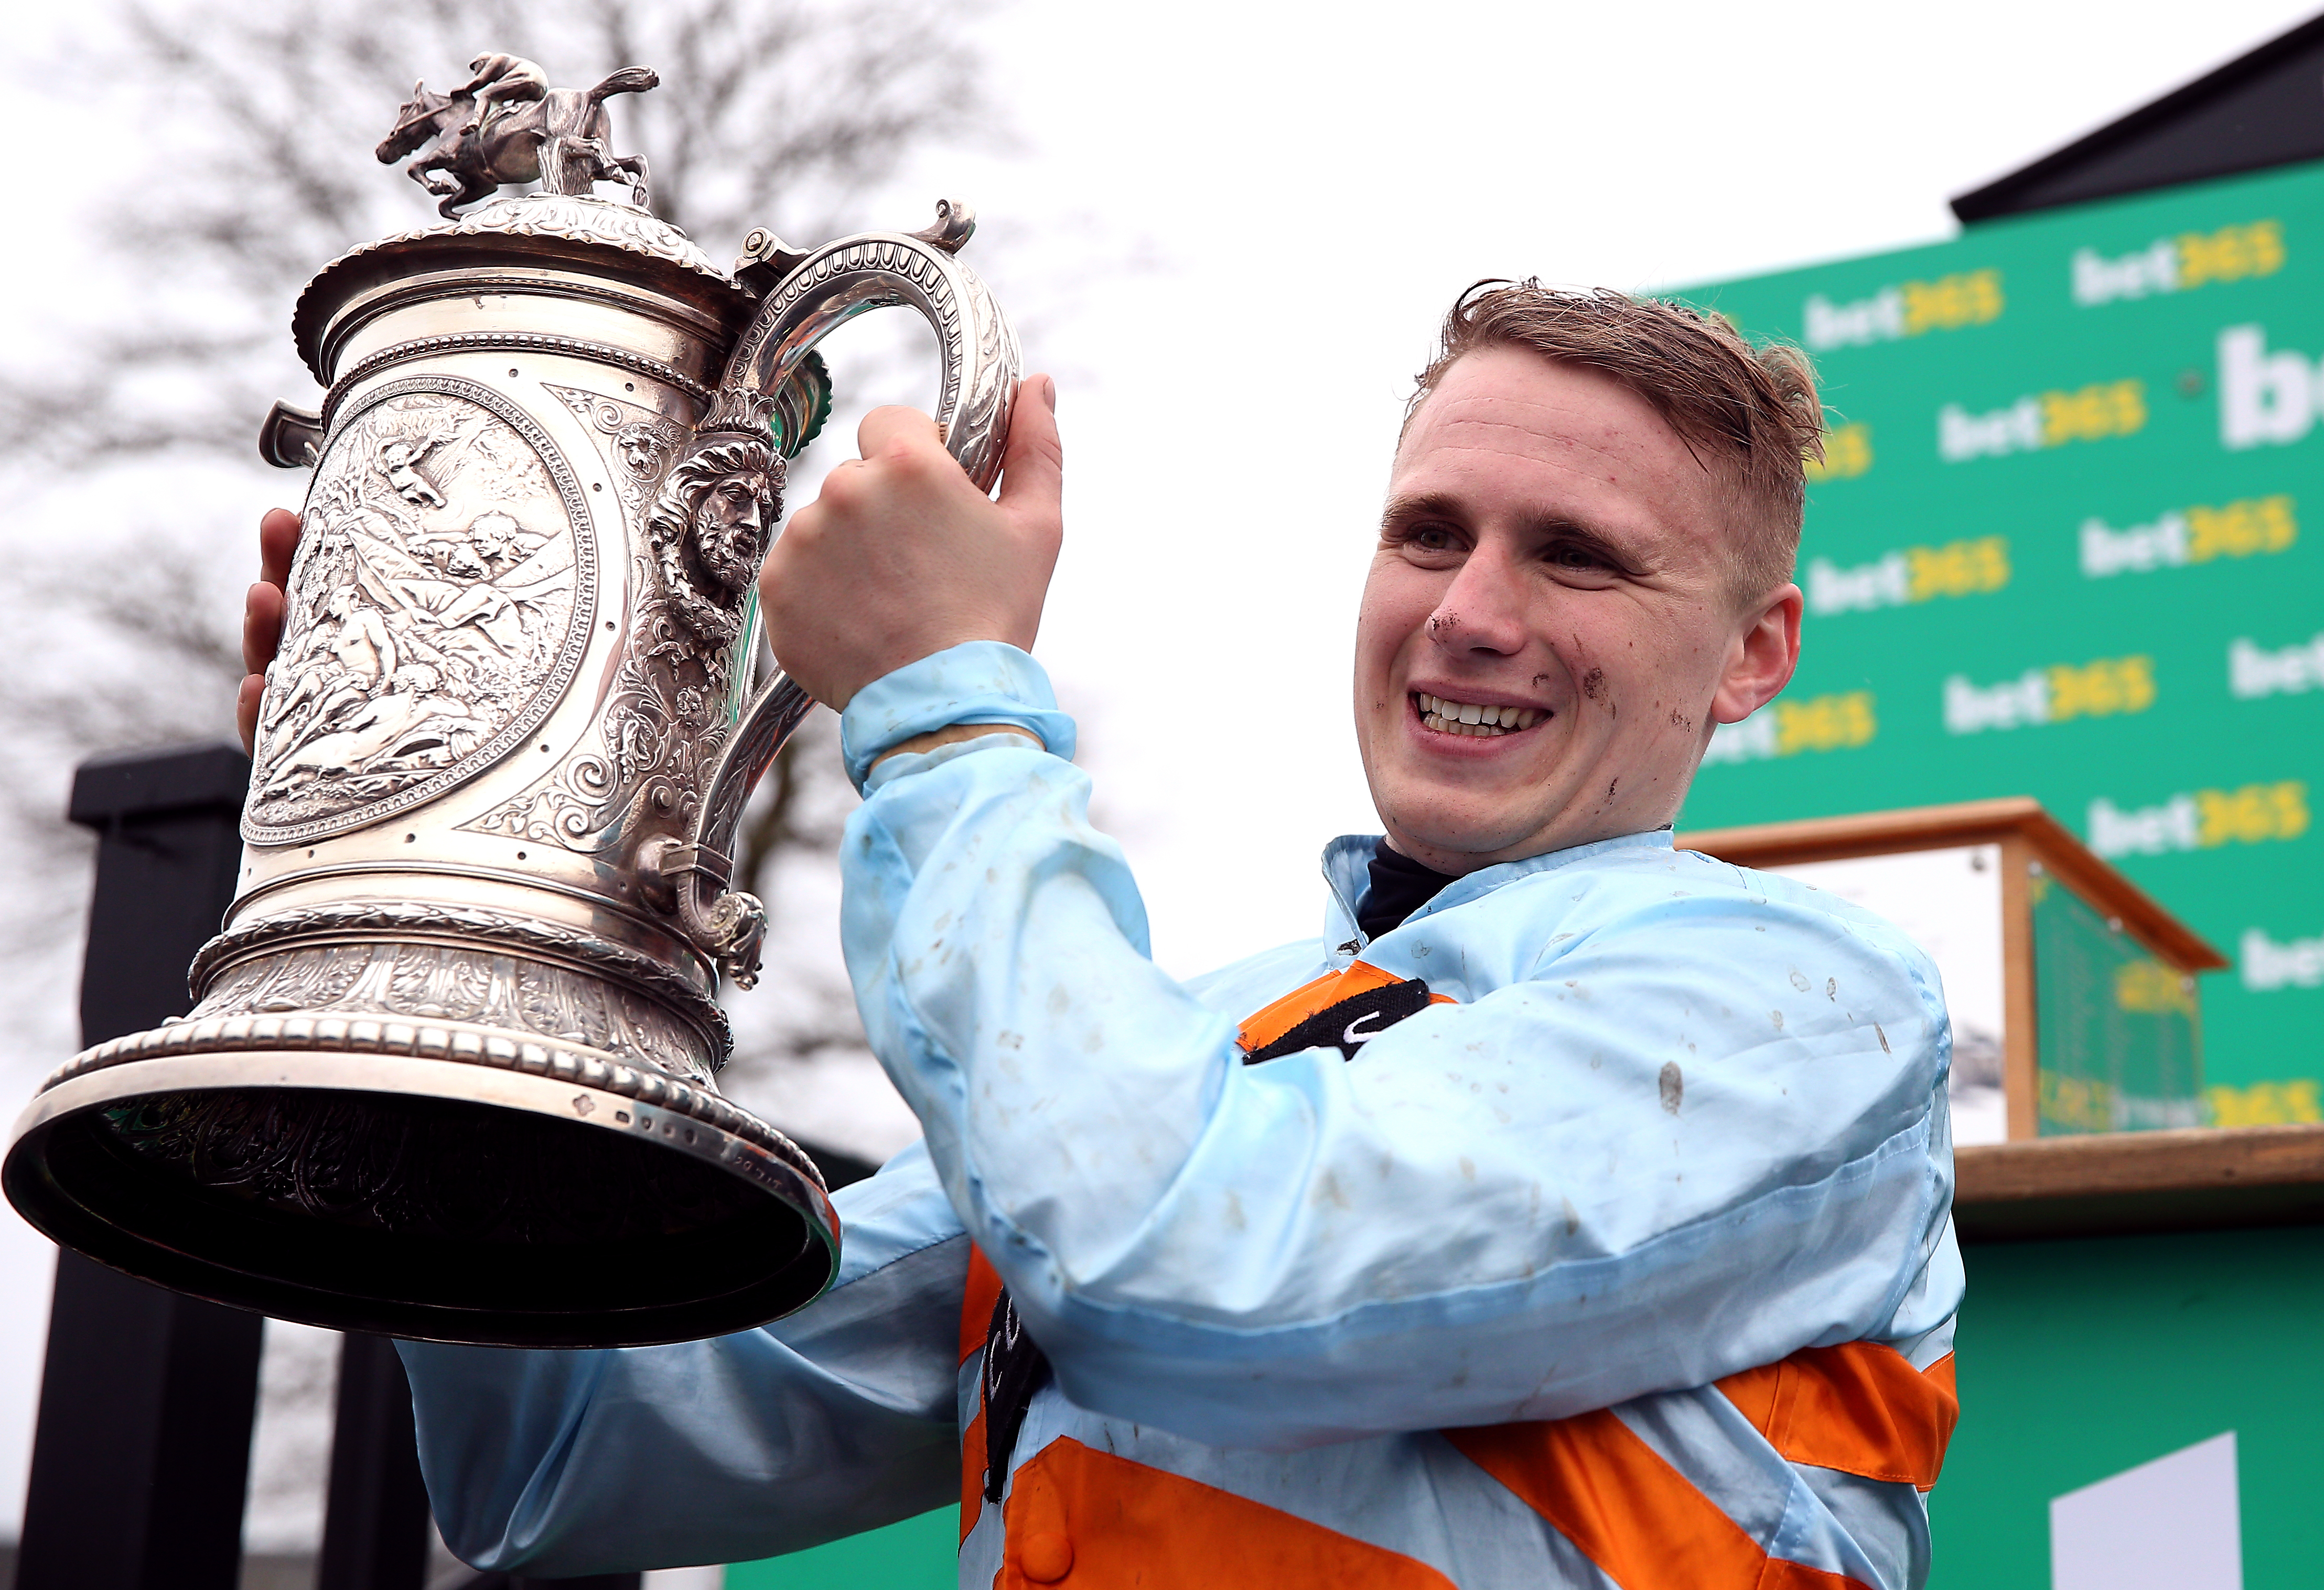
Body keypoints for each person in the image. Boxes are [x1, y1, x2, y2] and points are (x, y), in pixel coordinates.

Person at [236, 283, 1960, 1588]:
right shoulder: (1188, 1051)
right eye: (1428, 533)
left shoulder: (1804, 1009)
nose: (1471, 611)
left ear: (1752, 655)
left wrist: (942, 710)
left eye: (1578, 559)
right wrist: (464, 871)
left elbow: (1180, 1266)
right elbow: (571, 1451)